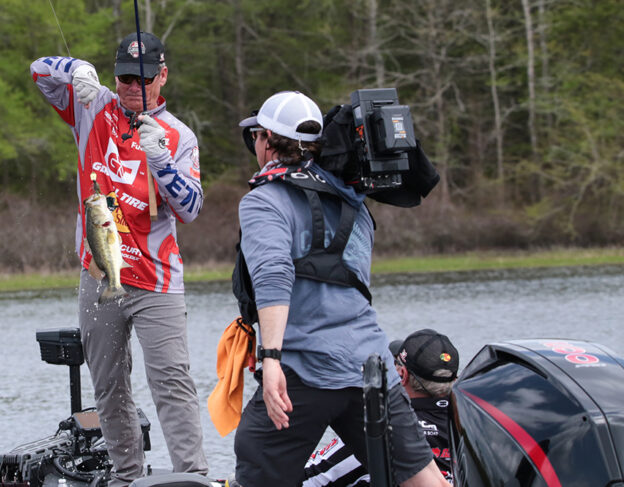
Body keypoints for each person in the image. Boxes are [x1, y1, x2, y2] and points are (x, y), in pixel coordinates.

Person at [230, 90, 450, 487]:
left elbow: (273, 275)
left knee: (257, 454)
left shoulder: (263, 201)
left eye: (255, 138)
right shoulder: (353, 198)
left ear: (264, 140)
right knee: (424, 480)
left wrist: (272, 359)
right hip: (371, 365)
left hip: (304, 369)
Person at [29, 32, 207, 486]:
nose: (133, 87)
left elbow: (191, 209)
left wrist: (162, 162)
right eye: (125, 77)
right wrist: (77, 72)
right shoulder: (92, 108)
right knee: (108, 386)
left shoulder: (179, 136)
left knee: (171, 381)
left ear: (162, 76)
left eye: (144, 78)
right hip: (99, 272)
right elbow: (38, 72)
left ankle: (193, 476)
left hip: (157, 279)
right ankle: (127, 477)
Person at [303, 329, 460, 486]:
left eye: (395, 364)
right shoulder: (471, 426)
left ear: (402, 375)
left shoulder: (385, 427)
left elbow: (311, 478)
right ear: (456, 379)